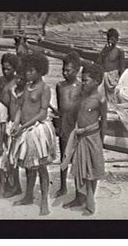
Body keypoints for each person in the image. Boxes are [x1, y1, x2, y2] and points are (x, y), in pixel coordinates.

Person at [11, 52, 57, 216]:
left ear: (40, 71)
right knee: (28, 165)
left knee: (41, 167)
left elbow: (43, 113)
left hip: (37, 130)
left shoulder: (45, 88)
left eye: (31, 71)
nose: (28, 74)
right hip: (24, 129)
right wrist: (17, 123)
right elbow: (20, 107)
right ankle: (28, 196)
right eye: (27, 71)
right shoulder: (26, 86)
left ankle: (44, 201)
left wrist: (24, 127)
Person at [61, 63, 107, 216]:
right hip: (80, 136)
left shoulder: (100, 99)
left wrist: (101, 140)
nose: (83, 82)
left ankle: (89, 203)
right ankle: (78, 198)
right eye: (82, 79)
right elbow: (73, 113)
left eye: (86, 80)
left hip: (92, 138)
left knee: (92, 171)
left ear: (97, 81)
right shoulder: (81, 95)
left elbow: (104, 121)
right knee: (79, 168)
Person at [53, 51, 83, 199]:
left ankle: (79, 190)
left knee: (77, 159)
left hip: (76, 126)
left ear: (77, 70)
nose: (65, 73)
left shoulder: (82, 86)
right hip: (64, 125)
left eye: (68, 70)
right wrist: (58, 125)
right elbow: (59, 108)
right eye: (63, 70)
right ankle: (63, 186)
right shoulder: (60, 86)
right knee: (64, 157)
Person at [1, 53, 24, 198]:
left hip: (17, 123)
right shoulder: (2, 82)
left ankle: (17, 186)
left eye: (8, 69)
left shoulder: (17, 84)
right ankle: (11, 183)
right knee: (7, 157)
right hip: (5, 121)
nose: (5, 71)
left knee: (15, 157)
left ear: (14, 69)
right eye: (3, 68)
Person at [97, 28, 125, 103]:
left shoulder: (120, 51)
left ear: (117, 40)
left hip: (114, 77)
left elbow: (122, 67)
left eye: (113, 39)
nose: (111, 42)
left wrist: (121, 81)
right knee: (102, 97)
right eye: (109, 39)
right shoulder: (105, 50)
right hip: (104, 75)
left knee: (114, 98)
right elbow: (99, 62)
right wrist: (104, 51)